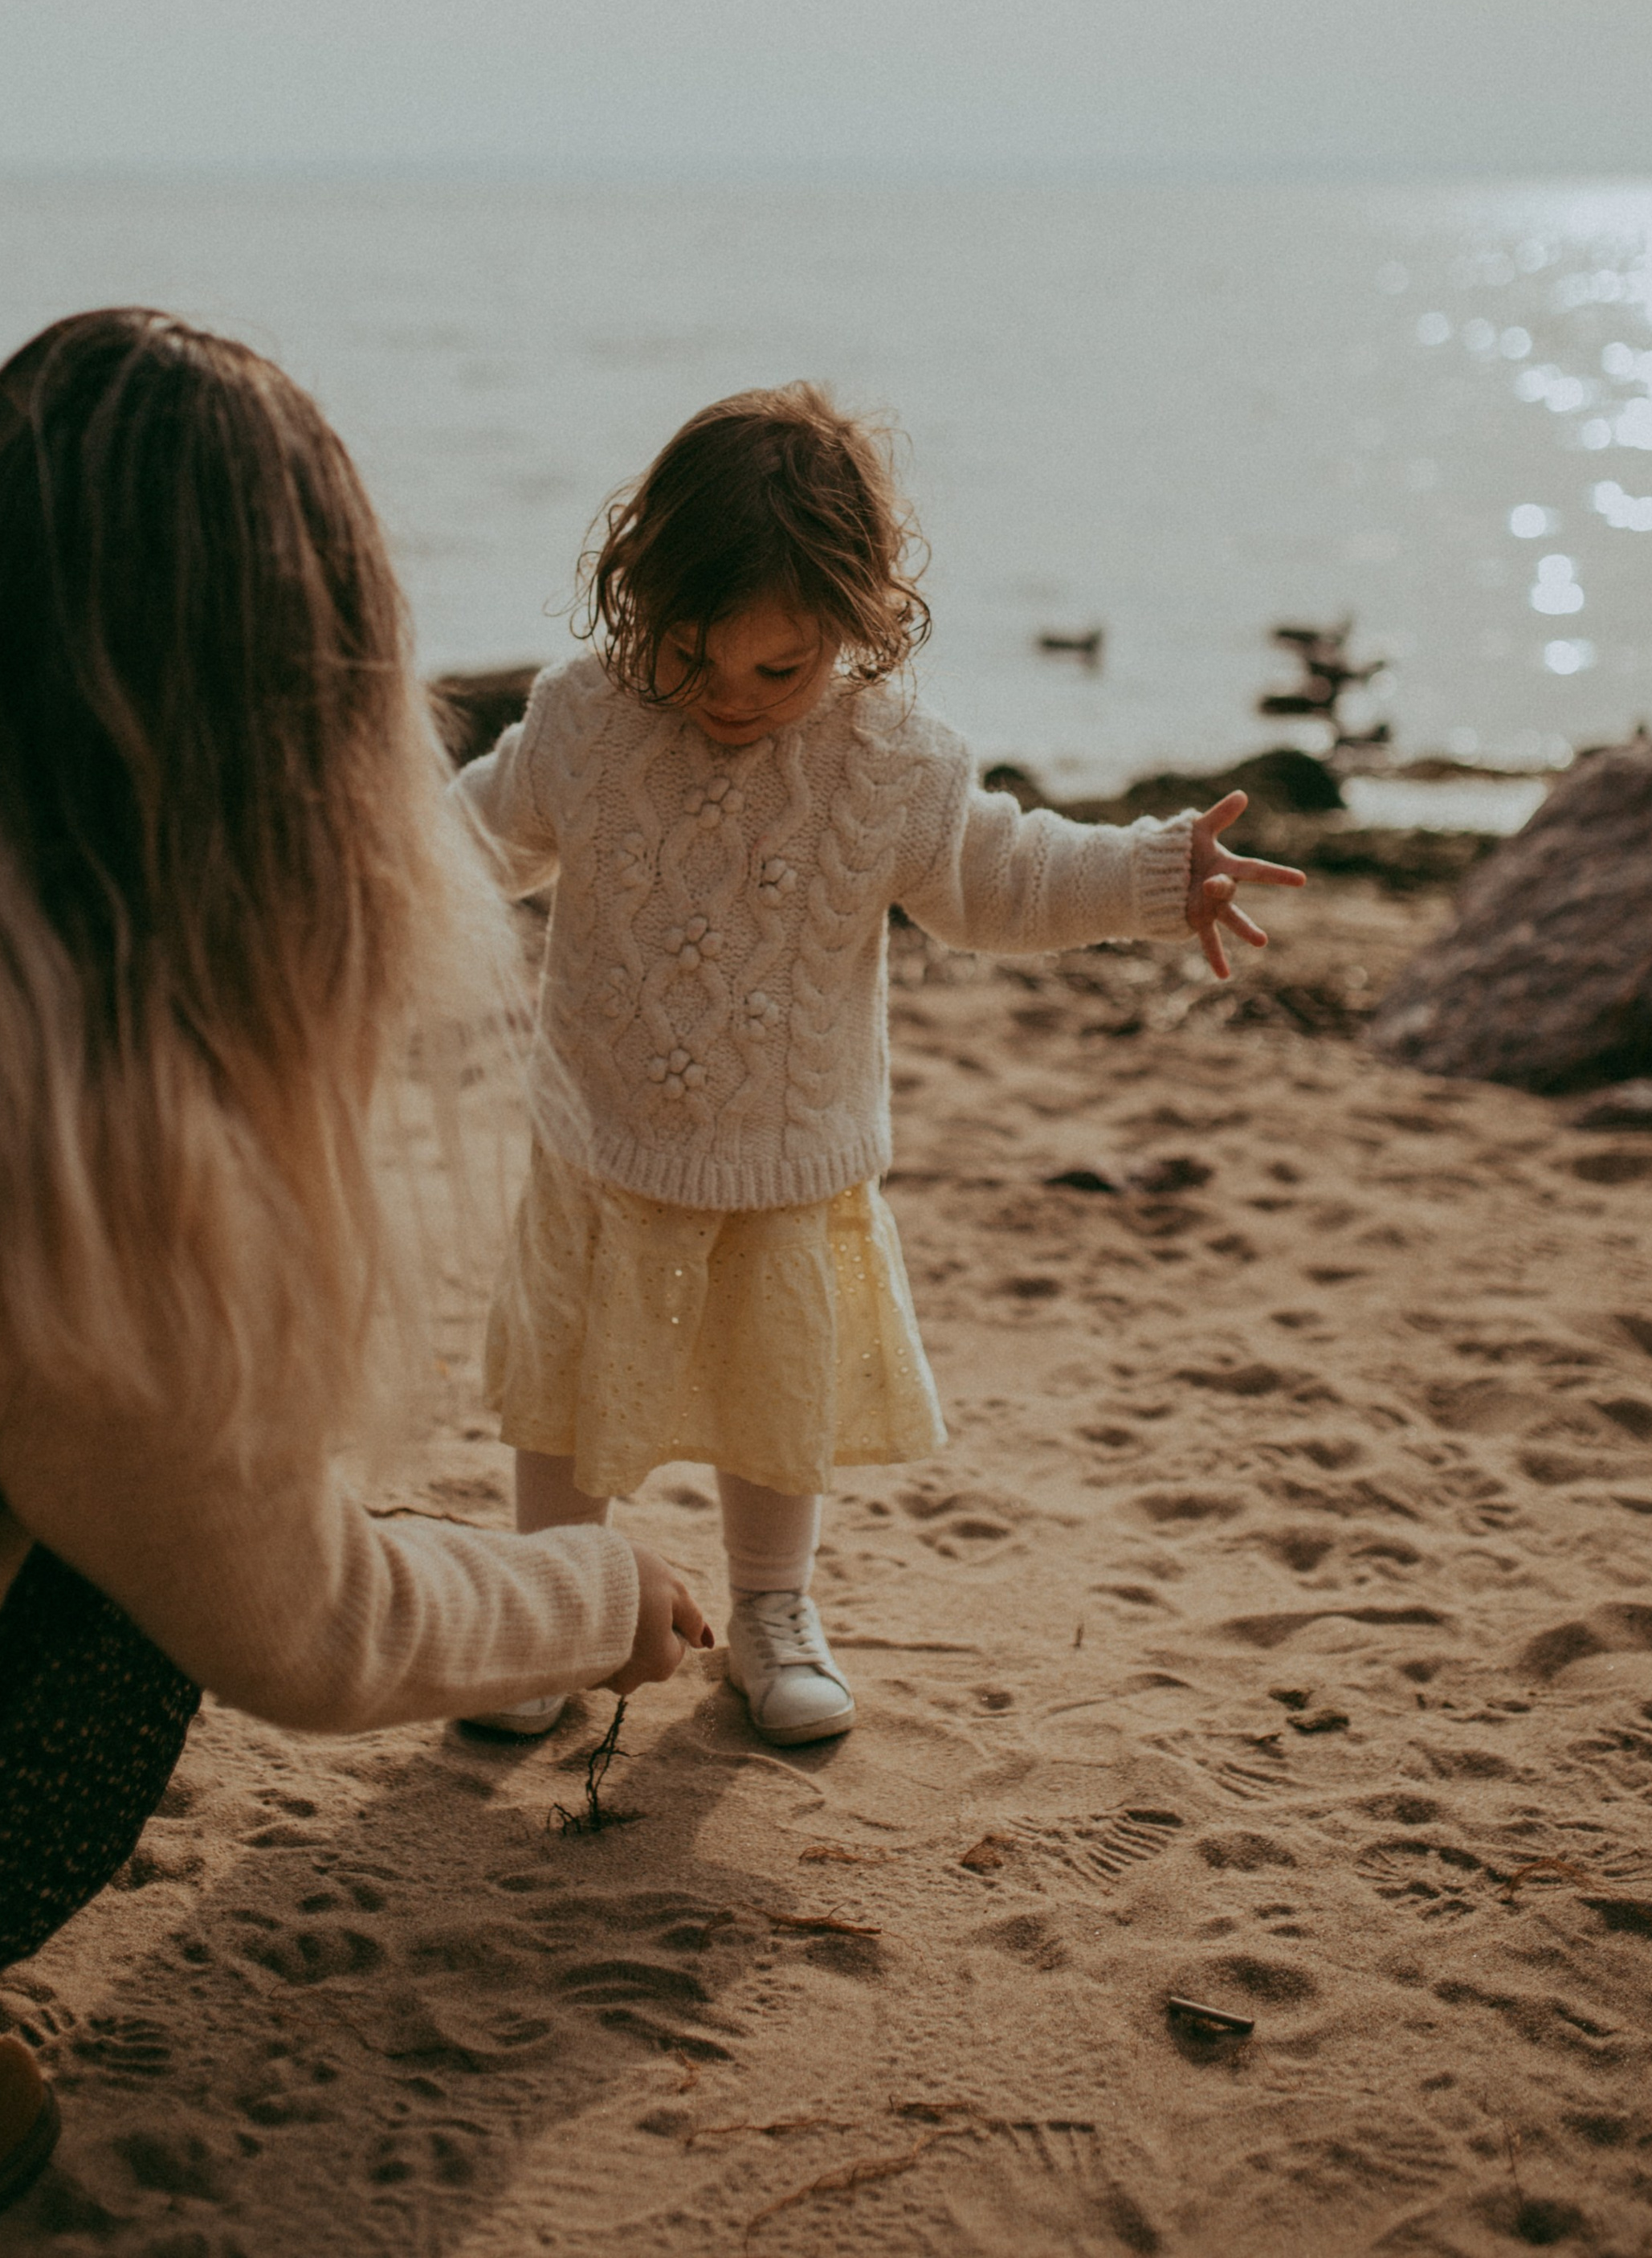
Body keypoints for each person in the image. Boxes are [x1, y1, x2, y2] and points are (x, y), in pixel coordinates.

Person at [0, 311, 708, 2258]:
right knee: (120, 1609)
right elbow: (309, 1622)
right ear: (305, 712)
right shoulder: (71, 1149)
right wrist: (597, 1592)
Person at [453, 382, 1301, 1751]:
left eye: (778, 670)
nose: (728, 697)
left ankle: (773, 1611)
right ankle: (548, 1610)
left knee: (775, 1392)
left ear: (855, 624)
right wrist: (354, 858)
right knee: (564, 1380)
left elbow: (1001, 875)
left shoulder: (891, 760)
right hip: (598, 1137)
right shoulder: (584, 721)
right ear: (637, 598)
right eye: (689, 655)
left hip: (789, 1152)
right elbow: (469, 839)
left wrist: (1154, 874)